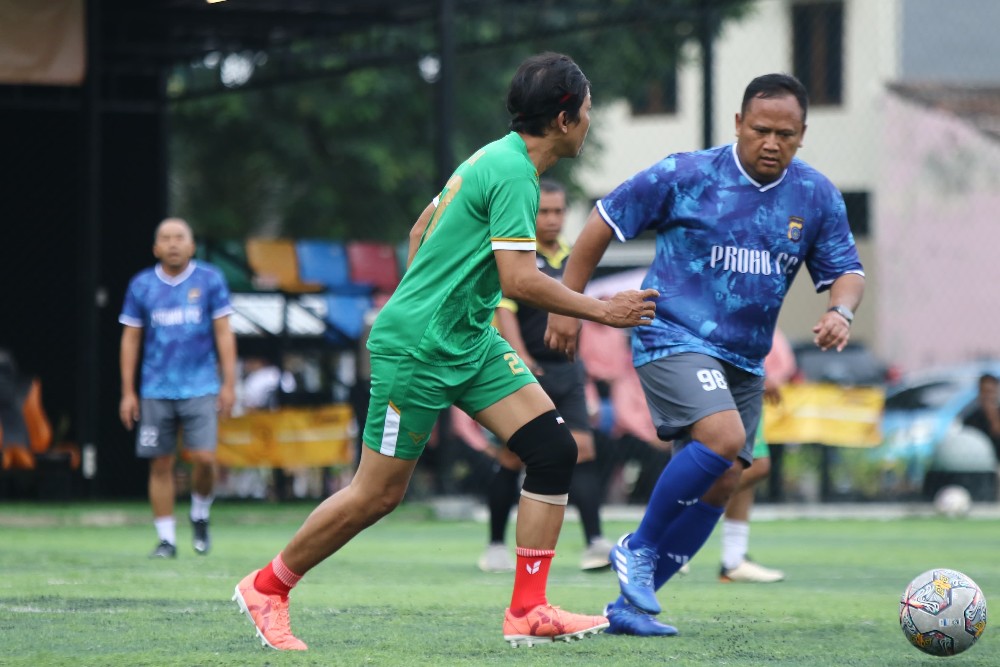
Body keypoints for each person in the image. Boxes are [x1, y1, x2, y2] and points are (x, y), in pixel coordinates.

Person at [231, 52, 659, 651]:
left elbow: (420, 229)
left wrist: (443, 292)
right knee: (377, 494)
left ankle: (528, 610)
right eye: (587, 111)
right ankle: (266, 587)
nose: (589, 122)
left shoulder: (491, 156)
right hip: (419, 350)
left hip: (467, 340)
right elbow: (517, 280)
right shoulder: (512, 172)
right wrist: (601, 310)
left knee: (552, 449)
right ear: (564, 118)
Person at [546, 73, 865, 636]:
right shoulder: (686, 174)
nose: (772, 142)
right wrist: (568, 306)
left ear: (802, 134)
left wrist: (841, 311)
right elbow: (604, 220)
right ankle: (637, 545)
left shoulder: (814, 195)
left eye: (786, 134)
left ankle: (632, 610)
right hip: (671, 335)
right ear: (739, 124)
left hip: (743, 357)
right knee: (724, 440)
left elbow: (846, 271)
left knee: (724, 480)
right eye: (761, 129)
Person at [478, 179, 613, 574]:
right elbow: (505, 312)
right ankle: (495, 545)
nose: (552, 220)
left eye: (558, 212)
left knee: (583, 449)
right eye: (544, 212)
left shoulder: (575, 258)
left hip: (567, 370)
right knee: (512, 455)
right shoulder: (517, 258)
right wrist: (520, 359)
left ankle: (594, 542)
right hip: (523, 369)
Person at [119, 217, 237, 559]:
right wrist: (128, 391)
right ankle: (166, 539)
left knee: (204, 458)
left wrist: (229, 384)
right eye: (165, 238)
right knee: (160, 464)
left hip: (201, 385)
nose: (172, 244)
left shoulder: (210, 280)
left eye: (179, 237)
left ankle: (200, 512)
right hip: (156, 388)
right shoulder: (141, 285)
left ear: (191, 245)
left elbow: (223, 333)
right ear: (156, 247)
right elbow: (130, 339)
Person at [717, 327, 796, 583]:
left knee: (745, 464)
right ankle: (681, 515)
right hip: (735, 381)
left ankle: (733, 560)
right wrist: (763, 375)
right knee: (757, 465)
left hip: (746, 381)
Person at [963, 373, 1000, 489]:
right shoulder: (971, 417)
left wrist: (992, 414)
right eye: (985, 392)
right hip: (979, 465)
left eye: (991, 392)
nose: (988, 396)